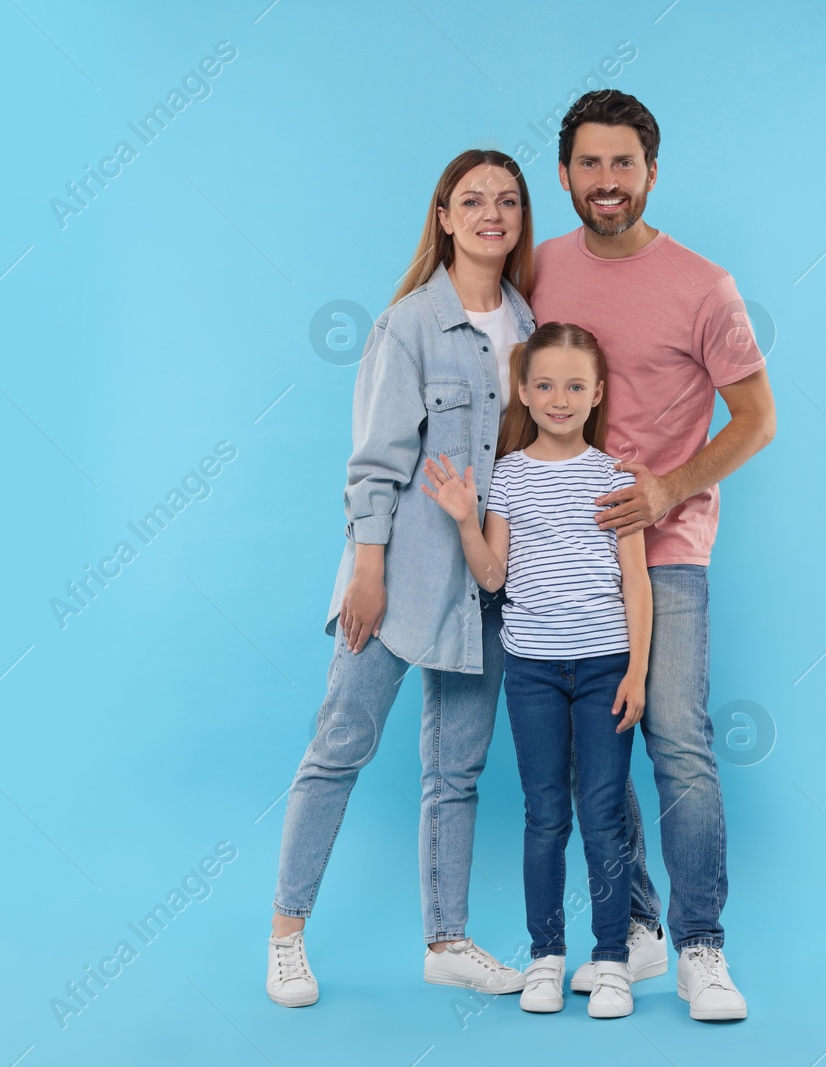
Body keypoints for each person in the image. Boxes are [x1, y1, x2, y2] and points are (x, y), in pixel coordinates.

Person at [266, 149, 538, 1007]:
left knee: (457, 770)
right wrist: (367, 570)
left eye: (507, 200)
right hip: (399, 579)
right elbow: (375, 463)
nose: (491, 212)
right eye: (473, 200)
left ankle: (447, 939)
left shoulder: (532, 327)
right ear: (445, 217)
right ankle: (285, 936)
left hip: (487, 587)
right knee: (337, 749)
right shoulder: (409, 325)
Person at [530, 90, 777, 1022]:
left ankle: (702, 946)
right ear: (564, 175)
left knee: (675, 735)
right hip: (559, 554)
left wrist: (670, 488)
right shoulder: (541, 269)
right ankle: (635, 925)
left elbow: (758, 418)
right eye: (588, 164)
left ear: (651, 173)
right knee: (597, 746)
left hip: (666, 546)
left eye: (622, 164)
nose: (605, 182)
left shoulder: (703, 285)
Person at [422, 322, 652, 1019]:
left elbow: (636, 582)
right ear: (523, 390)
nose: (559, 398)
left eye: (574, 386)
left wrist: (637, 671)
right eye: (545, 384)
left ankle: (610, 959)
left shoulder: (616, 478)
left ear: (596, 394)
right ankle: (547, 956)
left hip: (605, 663)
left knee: (604, 814)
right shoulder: (511, 477)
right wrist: (466, 518)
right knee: (545, 812)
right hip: (532, 671)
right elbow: (492, 576)